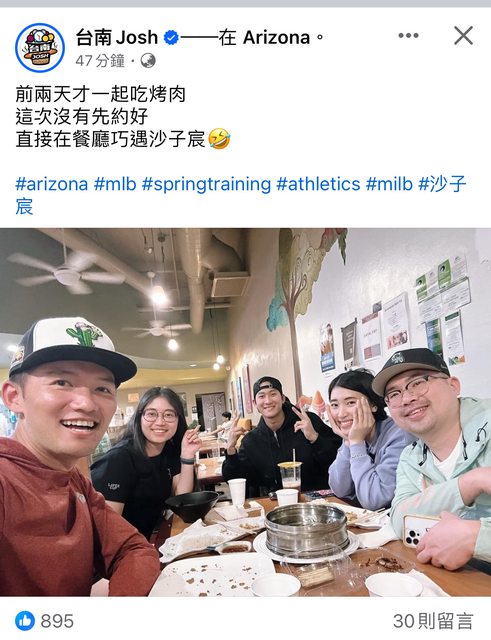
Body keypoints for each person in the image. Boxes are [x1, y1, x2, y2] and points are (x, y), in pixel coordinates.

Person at [0, 316, 161, 596]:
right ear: (14, 396)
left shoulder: (74, 481)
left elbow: (134, 549)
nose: (86, 403)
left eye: (102, 388)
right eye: (62, 382)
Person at [372, 347, 491, 571]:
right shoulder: (411, 457)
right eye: (394, 394)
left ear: (453, 385)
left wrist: (477, 538)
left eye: (418, 382)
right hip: (458, 581)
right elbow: (400, 521)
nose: (406, 398)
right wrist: (468, 484)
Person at [91, 386, 202, 540]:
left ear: (178, 420)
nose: (160, 422)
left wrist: (187, 456)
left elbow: (181, 498)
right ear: (139, 417)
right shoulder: (118, 460)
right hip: (122, 548)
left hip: (145, 541)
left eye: (169, 415)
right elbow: (107, 532)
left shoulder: (169, 451)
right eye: (151, 414)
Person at [222, 376, 342, 496]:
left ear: (283, 398)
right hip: (274, 503)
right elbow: (236, 480)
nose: (268, 401)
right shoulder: (251, 441)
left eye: (273, 394)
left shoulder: (309, 421)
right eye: (261, 396)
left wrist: (314, 438)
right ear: (255, 403)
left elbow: (339, 461)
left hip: (316, 500)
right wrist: (230, 450)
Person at [326, 368, 411, 510]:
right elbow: (339, 489)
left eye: (350, 403)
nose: (341, 414)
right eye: (335, 405)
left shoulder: (399, 435)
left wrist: (356, 444)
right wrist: (348, 443)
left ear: (373, 404)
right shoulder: (355, 434)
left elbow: (375, 500)